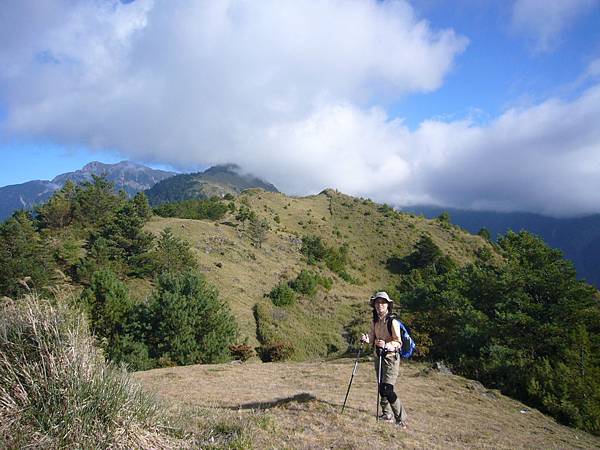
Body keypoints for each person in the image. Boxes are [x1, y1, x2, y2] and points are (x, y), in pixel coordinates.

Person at [360, 291, 408, 428]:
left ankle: (401, 419)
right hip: (378, 356)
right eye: (377, 302)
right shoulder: (375, 321)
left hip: (391, 359)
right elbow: (372, 337)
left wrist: (386, 345)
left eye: (382, 302)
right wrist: (366, 338)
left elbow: (398, 342)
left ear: (388, 305)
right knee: (381, 387)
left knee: (388, 389)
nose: (379, 305)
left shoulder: (393, 322)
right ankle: (386, 414)